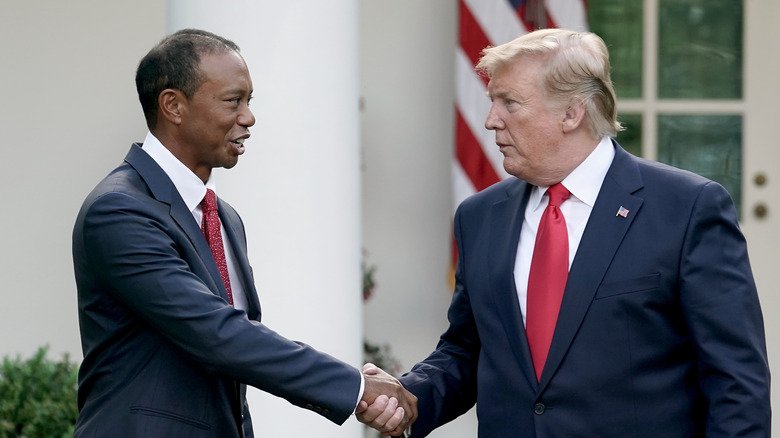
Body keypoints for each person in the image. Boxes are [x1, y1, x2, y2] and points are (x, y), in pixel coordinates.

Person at [357, 28, 770, 437]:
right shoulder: (480, 216)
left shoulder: (687, 208)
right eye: (491, 102)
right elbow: (467, 350)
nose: (489, 120)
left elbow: (736, 381)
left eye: (510, 103)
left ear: (572, 113)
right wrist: (409, 397)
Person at [72, 28, 415, 437]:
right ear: (173, 106)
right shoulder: (120, 211)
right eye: (233, 100)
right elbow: (216, 334)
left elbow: (233, 358)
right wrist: (354, 387)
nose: (248, 117)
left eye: (249, 101)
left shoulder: (223, 218)